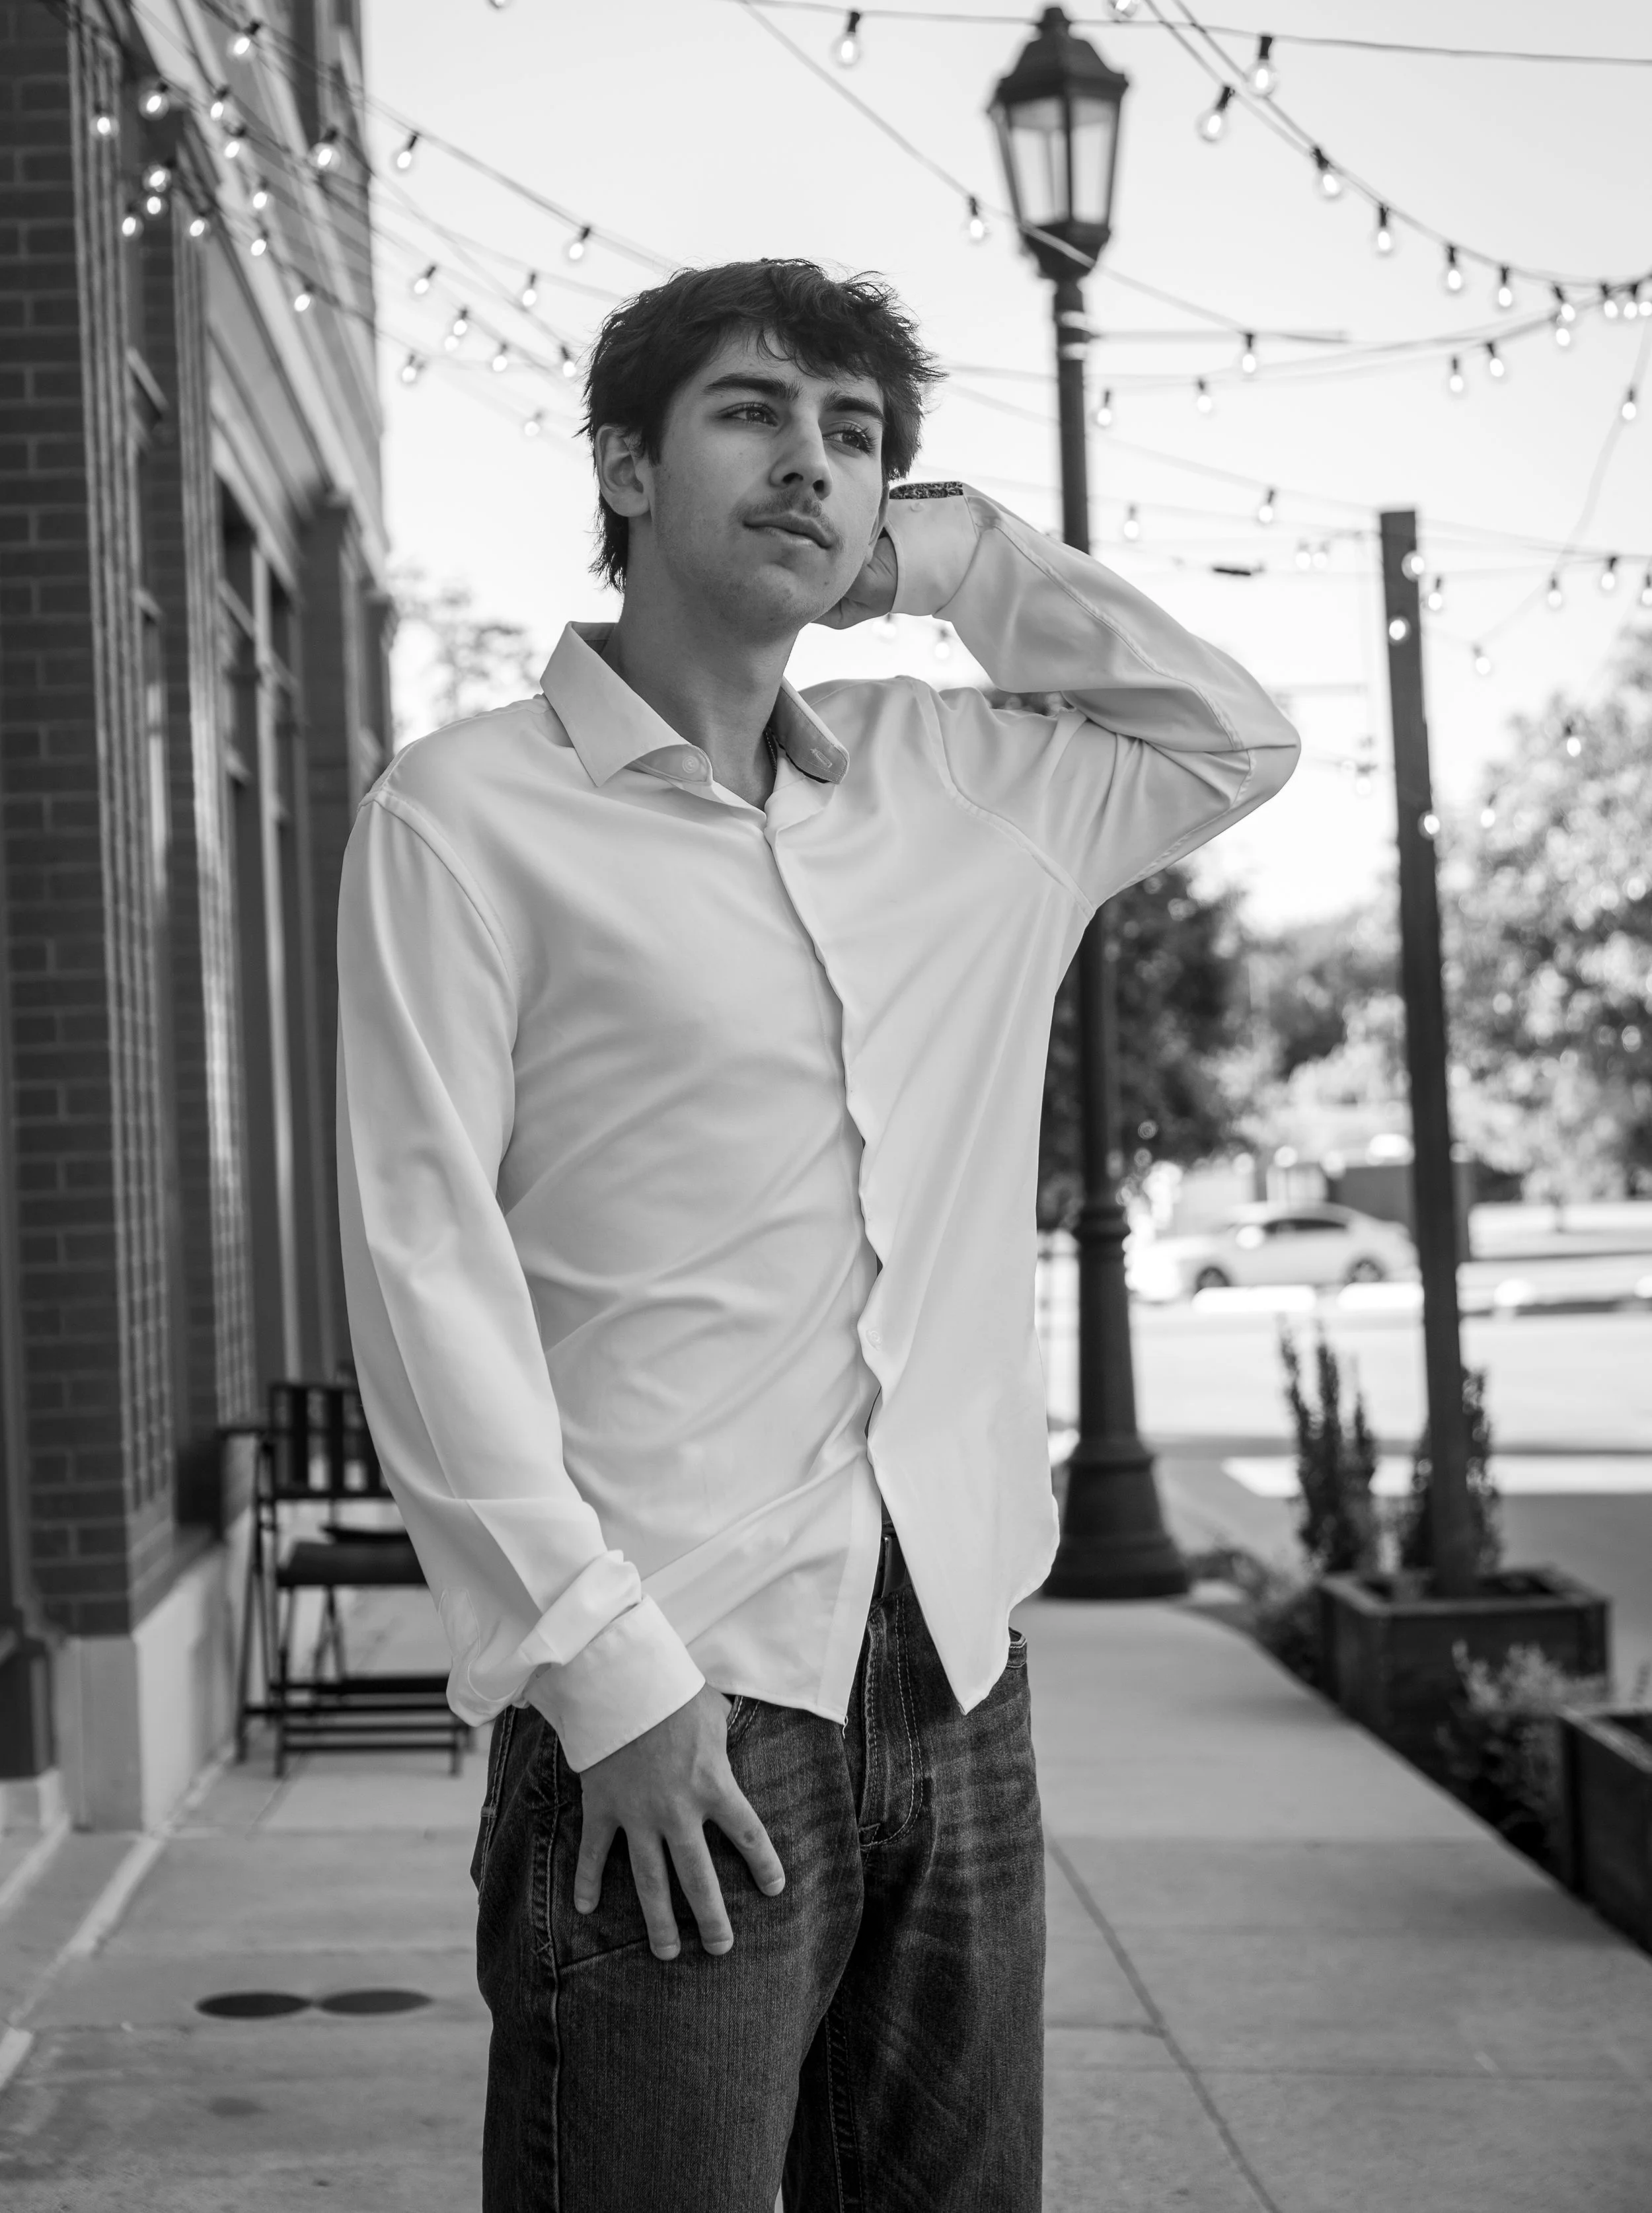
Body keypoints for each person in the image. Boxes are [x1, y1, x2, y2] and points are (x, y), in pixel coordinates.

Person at [335, 258, 1299, 2211]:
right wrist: (610, 1687)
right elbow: (422, 1264)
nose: (812, 463)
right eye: (754, 413)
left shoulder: (964, 790)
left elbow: (1231, 738)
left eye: (854, 436)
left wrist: (935, 561)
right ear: (624, 460)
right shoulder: (461, 817)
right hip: (671, 1682)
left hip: (951, 1669)